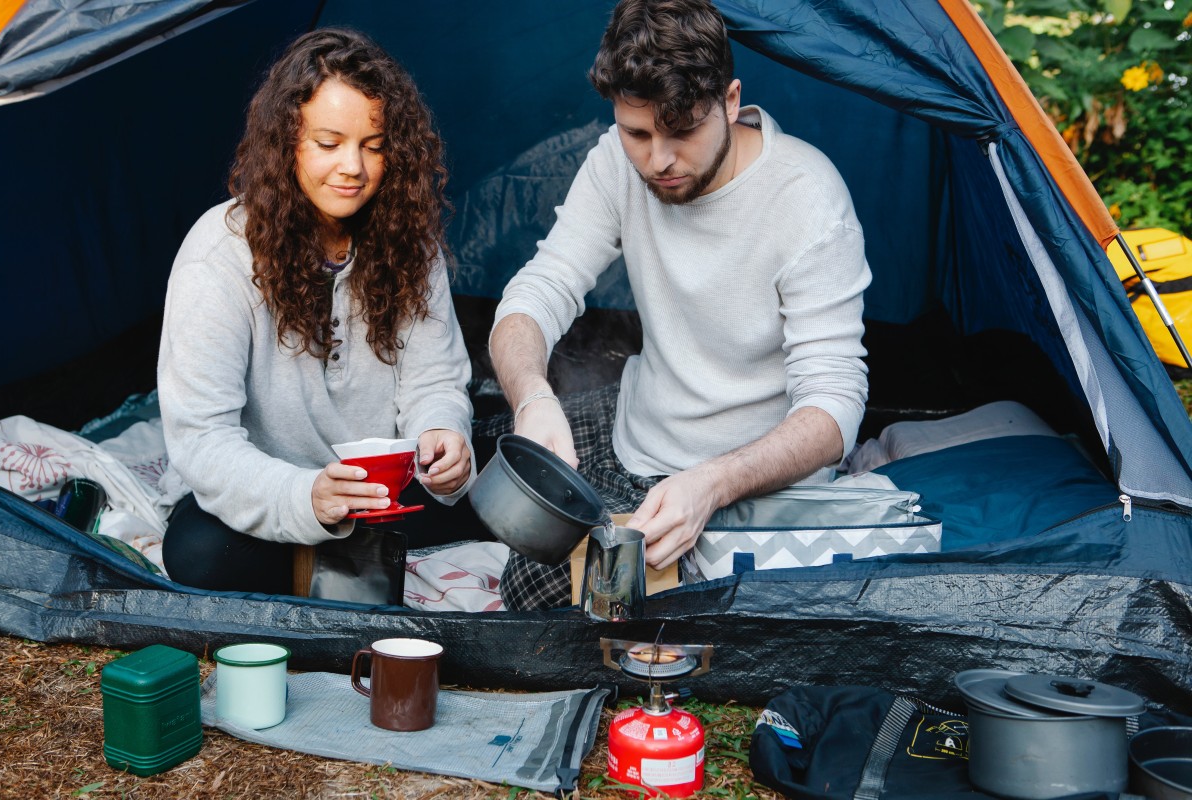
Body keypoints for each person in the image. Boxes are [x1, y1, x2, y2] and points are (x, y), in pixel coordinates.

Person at [484, 0, 871, 610]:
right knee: (532, 589)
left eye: (683, 131)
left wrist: (712, 483)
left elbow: (835, 405)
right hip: (641, 439)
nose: (658, 160)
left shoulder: (807, 196)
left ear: (731, 100)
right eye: (638, 133)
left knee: (696, 619)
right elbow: (538, 290)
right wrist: (531, 398)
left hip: (755, 477)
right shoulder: (616, 160)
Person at [158, 28, 478, 594]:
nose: (353, 167)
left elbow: (435, 380)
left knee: (496, 486)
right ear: (287, 143)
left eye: (373, 146)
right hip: (275, 496)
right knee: (198, 552)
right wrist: (306, 497)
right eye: (329, 143)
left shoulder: (411, 244)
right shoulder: (219, 255)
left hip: (386, 499)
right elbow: (203, 440)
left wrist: (442, 433)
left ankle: (353, 561)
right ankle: (333, 563)